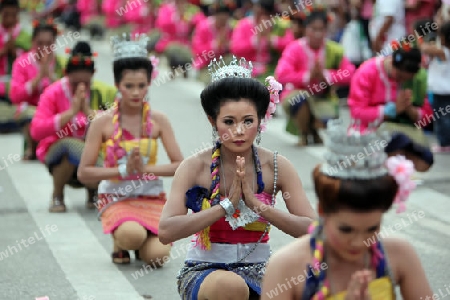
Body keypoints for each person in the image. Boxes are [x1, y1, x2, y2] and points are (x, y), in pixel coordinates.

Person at [158, 56, 316, 299]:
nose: (239, 131)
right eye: (229, 122)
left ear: (260, 119)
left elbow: (313, 230)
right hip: (207, 272)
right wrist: (225, 206)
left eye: (248, 121)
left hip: (261, 271)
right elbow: (166, 231)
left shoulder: (277, 167)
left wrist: (258, 206)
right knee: (231, 287)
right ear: (213, 121)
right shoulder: (194, 167)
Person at [261, 119, 433, 299]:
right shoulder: (287, 266)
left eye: (372, 229)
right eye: (346, 229)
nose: (359, 242)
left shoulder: (399, 254)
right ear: (322, 211)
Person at [77, 34, 183, 265]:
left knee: (158, 257)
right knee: (131, 235)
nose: (136, 92)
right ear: (117, 85)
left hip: (151, 196)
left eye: (142, 86)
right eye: (129, 86)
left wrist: (146, 168)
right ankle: (122, 238)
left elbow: (179, 166)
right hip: (116, 197)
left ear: (149, 83)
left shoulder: (158, 120)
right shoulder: (102, 122)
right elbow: (84, 172)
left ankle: (139, 239)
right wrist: (122, 171)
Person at [30, 41, 117, 213]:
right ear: (66, 74)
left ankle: (94, 192)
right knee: (69, 146)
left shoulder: (103, 92)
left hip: (92, 153)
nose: (81, 86)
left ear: (93, 74)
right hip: (59, 154)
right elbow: (36, 130)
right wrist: (70, 113)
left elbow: (115, 127)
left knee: (96, 147)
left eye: (86, 80)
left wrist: (87, 111)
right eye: (75, 82)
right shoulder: (53, 92)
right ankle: (57, 194)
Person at [347, 40, 434, 172]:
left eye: (407, 79)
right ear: (392, 61)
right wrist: (392, 110)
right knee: (395, 144)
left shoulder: (419, 78)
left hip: (404, 129)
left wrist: (410, 109)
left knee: (425, 161)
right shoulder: (367, 72)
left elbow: (428, 115)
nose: (402, 81)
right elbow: (357, 112)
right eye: (399, 76)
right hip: (369, 129)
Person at [275, 6, 355, 146]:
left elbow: (350, 73)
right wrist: (308, 76)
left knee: (327, 115)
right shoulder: (294, 48)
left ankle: (314, 130)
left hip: (324, 96)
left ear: (326, 30)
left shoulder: (334, 50)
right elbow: (281, 74)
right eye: (313, 29)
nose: (318, 34)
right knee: (300, 99)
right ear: (306, 29)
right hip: (298, 94)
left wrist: (326, 75)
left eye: (321, 29)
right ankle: (305, 133)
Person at [10, 18, 65, 160]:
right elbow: (15, 96)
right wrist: (39, 77)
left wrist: (51, 77)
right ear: (33, 42)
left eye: (49, 44)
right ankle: (32, 148)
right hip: (32, 110)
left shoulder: (61, 63)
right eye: (40, 43)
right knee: (27, 113)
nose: (44, 48)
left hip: (54, 112)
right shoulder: (22, 62)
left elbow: (67, 93)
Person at [0, 0, 31, 132]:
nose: (10, 19)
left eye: (14, 15)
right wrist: (4, 51)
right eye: (6, 14)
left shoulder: (25, 36)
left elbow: (30, 62)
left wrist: (14, 52)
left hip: (16, 83)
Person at [421, 21, 450, 153]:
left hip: (443, 91)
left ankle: (445, 143)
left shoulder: (443, 52)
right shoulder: (441, 51)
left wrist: (418, 35)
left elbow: (424, 48)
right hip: (443, 90)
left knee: (442, 118)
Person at [155, 0, 205, 75]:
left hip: (186, 42)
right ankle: (173, 68)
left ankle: (185, 68)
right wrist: (176, 17)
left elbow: (203, 24)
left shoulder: (192, 10)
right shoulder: (167, 9)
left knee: (190, 53)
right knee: (173, 50)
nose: (182, 4)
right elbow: (161, 25)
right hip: (171, 41)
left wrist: (192, 20)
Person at [191, 0, 234, 85]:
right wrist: (215, 45)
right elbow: (197, 50)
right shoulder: (203, 26)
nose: (223, 18)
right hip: (205, 66)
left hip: (223, 64)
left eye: (226, 15)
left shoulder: (230, 29)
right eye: (220, 15)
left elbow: (236, 49)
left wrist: (228, 45)